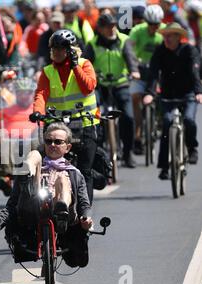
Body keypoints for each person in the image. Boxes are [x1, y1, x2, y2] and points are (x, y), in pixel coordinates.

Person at [0, 123, 93, 269]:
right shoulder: (39, 162)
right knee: (34, 155)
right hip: (32, 208)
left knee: (62, 179)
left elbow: (84, 204)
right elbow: (11, 206)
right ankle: (28, 174)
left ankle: (61, 210)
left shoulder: (75, 174)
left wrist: (86, 219)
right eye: (48, 141)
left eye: (58, 142)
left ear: (68, 147)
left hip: (65, 216)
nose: (52, 145)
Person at [33, 29, 98, 203]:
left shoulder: (84, 65)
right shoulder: (47, 71)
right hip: (57, 126)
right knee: (48, 166)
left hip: (84, 124)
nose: (56, 52)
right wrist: (37, 112)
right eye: (53, 49)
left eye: (61, 49)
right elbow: (41, 93)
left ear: (70, 50)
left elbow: (88, 87)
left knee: (85, 171)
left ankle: (85, 214)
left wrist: (75, 66)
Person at [143, 22, 202, 180]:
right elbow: (154, 73)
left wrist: (198, 92)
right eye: (165, 36)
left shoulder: (189, 50)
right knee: (167, 124)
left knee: (189, 120)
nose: (167, 39)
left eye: (170, 36)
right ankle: (164, 167)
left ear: (178, 37)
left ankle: (192, 148)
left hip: (188, 94)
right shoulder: (160, 50)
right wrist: (149, 93)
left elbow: (194, 72)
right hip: (168, 96)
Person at [83, 13, 141, 169]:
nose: (112, 29)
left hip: (120, 84)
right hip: (100, 85)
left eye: (113, 25)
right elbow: (85, 63)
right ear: (100, 29)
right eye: (108, 27)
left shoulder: (124, 40)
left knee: (128, 117)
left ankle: (128, 154)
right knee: (96, 117)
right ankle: (99, 155)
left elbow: (130, 58)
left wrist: (134, 70)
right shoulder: (92, 44)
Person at [0, 78, 38, 196]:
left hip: (31, 142)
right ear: (16, 93)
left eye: (27, 92)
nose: (24, 96)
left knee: (37, 143)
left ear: (32, 93)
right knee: (4, 143)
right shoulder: (5, 111)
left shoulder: (37, 110)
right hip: (11, 142)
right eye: (21, 92)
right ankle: (6, 178)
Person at [129, 5, 165, 155]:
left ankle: (160, 120)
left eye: (156, 25)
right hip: (140, 70)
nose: (153, 28)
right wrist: (133, 67)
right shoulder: (137, 31)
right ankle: (138, 134)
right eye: (150, 24)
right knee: (135, 97)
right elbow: (129, 49)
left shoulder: (165, 31)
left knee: (164, 96)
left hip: (159, 72)